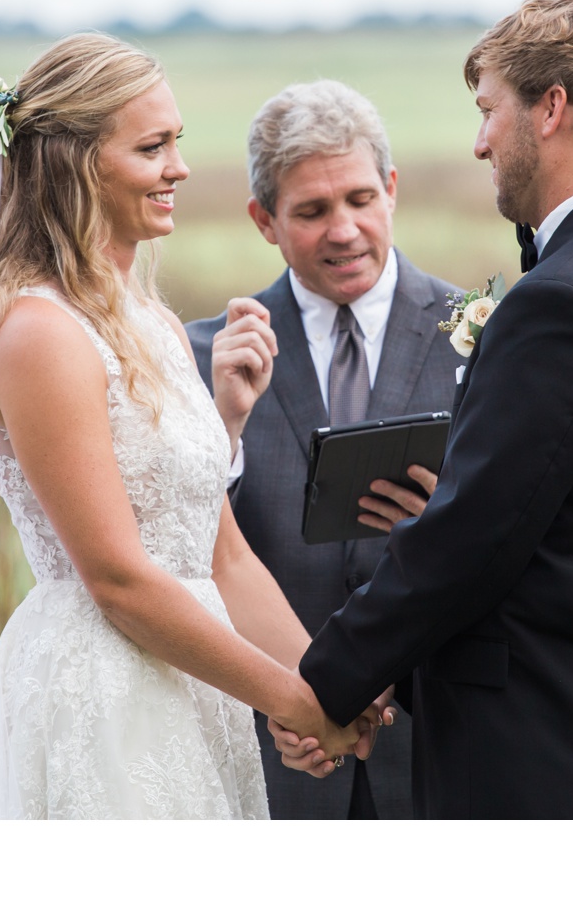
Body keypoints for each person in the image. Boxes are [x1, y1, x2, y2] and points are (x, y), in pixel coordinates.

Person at [0, 33, 380, 819]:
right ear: (79, 164)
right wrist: (288, 700)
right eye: (152, 147)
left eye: (177, 141)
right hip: (104, 700)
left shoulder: (156, 324)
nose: (178, 166)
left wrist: (325, 684)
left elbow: (224, 558)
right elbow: (117, 580)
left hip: (192, 690)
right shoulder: (38, 333)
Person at [276, 0, 573, 818]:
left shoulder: (564, 302)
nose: (479, 140)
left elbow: (465, 545)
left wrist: (323, 687)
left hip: (543, 762)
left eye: (488, 111)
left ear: (551, 108)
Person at [183, 80, 462, 819]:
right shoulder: (202, 356)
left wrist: (457, 518)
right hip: (269, 759)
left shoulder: (487, 335)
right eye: (310, 211)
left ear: (392, 190)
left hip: (440, 753)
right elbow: (180, 552)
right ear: (263, 220)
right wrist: (221, 427)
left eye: (361, 200)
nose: (343, 230)